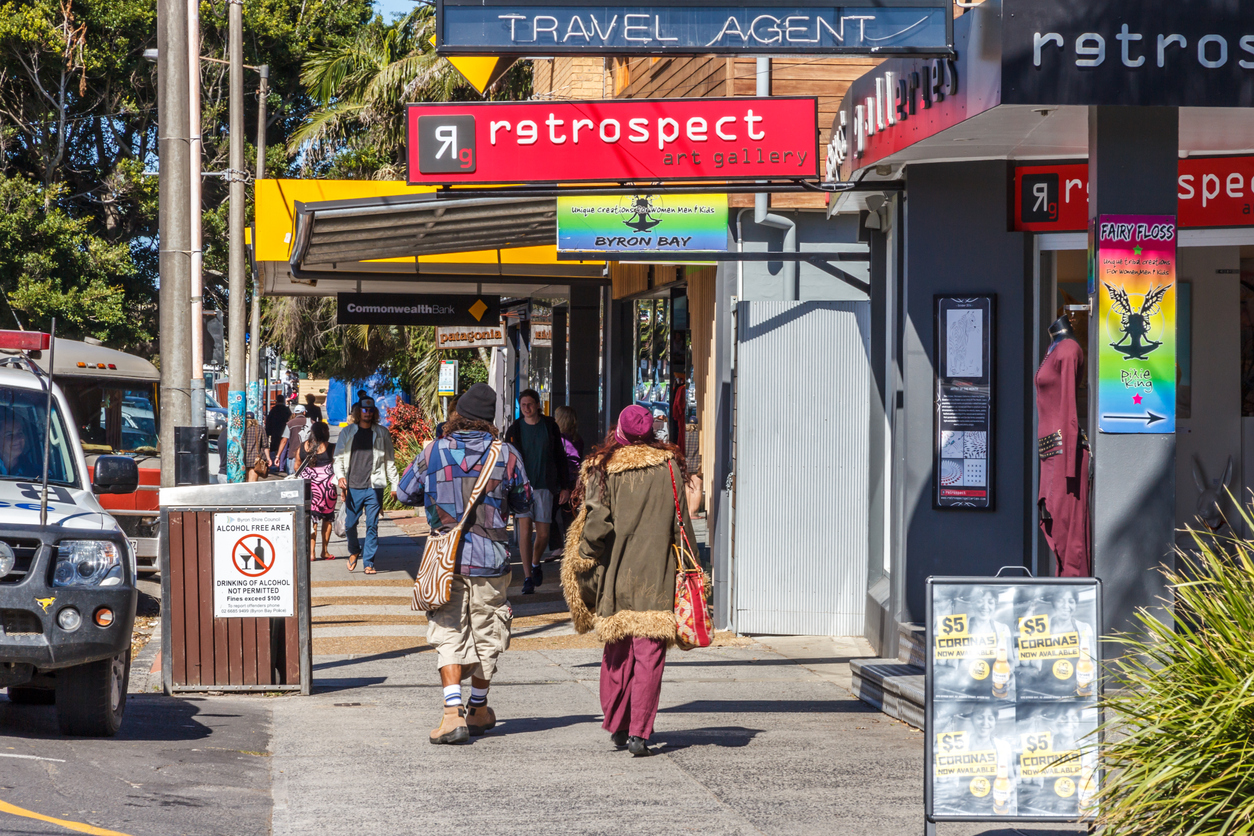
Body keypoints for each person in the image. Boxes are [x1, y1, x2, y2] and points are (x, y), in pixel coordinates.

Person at [562, 404, 698, 757]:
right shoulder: (668, 467)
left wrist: (584, 557)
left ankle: (618, 725)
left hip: (616, 576)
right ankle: (640, 733)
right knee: (649, 655)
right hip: (658, 575)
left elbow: (597, 525)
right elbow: (681, 524)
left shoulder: (602, 468)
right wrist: (693, 568)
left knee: (616, 653)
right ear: (651, 432)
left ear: (618, 431)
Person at [419, 383, 533, 745]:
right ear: (490, 420)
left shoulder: (432, 451)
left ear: (458, 416)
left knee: (449, 631)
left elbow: (403, 491)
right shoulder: (506, 454)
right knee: (488, 632)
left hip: (446, 561)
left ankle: (452, 715)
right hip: (491, 560)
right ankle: (479, 708)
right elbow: (524, 502)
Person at [504, 389, 573, 594]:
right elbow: (508, 460)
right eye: (523, 405)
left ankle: (535, 563)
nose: (527, 408)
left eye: (530, 404)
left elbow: (560, 458)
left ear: (537, 404)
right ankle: (527, 577)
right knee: (524, 532)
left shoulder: (549, 426)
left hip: (545, 486)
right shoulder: (515, 429)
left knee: (542, 535)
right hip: (522, 488)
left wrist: (565, 486)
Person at [332, 397, 398, 574]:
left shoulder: (382, 433)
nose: (367, 413)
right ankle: (354, 550)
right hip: (353, 486)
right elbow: (338, 458)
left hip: (374, 486)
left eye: (370, 410)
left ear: (374, 412)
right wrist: (340, 477)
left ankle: (368, 562)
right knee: (350, 525)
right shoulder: (347, 433)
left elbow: (389, 460)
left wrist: (394, 485)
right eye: (364, 410)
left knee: (372, 525)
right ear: (358, 412)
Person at [300, 422, 336, 561]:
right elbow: (337, 466)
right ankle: (325, 551)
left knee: (312, 519)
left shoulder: (303, 447)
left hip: (309, 489)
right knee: (327, 519)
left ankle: (311, 552)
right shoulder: (331, 447)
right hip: (327, 490)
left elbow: (297, 465)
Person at [275, 404, 309, 474]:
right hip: (308, 454)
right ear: (304, 412)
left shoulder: (290, 424)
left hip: (293, 455)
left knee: (293, 478)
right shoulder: (311, 422)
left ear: (294, 413)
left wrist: (278, 456)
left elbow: (284, 441)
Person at [243, 411, 270, 483]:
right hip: (255, 460)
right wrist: (268, 458)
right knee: (252, 483)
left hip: (243, 459)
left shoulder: (241, 429)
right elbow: (265, 445)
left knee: (244, 483)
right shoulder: (260, 428)